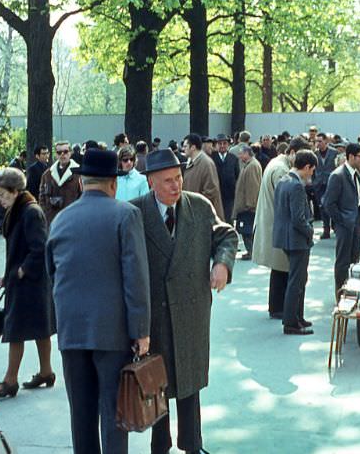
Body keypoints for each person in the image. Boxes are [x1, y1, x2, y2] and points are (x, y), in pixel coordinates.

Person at [130, 149, 238, 454]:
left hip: (191, 310)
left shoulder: (199, 207)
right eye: (167, 181)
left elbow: (226, 236)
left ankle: (193, 445)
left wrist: (222, 264)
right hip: (155, 314)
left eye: (178, 178)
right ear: (151, 182)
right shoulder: (135, 213)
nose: (176, 186)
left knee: (189, 383)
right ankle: (159, 446)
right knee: (157, 382)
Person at [47, 149, 151, 454]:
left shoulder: (60, 220)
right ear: (113, 184)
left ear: (81, 183)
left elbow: (51, 275)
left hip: (72, 332)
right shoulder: (126, 215)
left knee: (81, 413)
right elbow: (136, 279)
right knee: (114, 412)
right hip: (112, 332)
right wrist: (141, 331)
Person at [0, 167, 56, 399]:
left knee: (15, 330)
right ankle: (46, 372)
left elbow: (40, 248)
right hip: (25, 280)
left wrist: (20, 272)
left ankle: (10, 380)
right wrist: (8, 275)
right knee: (39, 327)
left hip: (31, 281)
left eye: (1, 194)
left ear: (15, 191)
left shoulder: (30, 212)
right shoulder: (18, 209)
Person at [253, 137, 310, 318]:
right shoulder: (281, 170)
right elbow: (289, 204)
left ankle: (278, 307)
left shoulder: (277, 163)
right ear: (292, 153)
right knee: (283, 270)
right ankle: (280, 308)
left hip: (275, 223)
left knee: (280, 269)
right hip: (279, 225)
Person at [273, 150, 317, 335]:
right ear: (306, 167)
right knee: (297, 281)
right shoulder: (296, 186)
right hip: (296, 240)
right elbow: (299, 219)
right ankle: (291, 321)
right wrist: (310, 232)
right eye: (312, 170)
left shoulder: (283, 180)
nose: (312, 174)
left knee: (297, 279)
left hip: (285, 238)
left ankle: (297, 317)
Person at [324, 143, 360, 297]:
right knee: (343, 261)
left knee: (354, 259)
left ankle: (351, 290)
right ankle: (341, 293)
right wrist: (341, 221)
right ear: (351, 156)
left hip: (356, 220)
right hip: (345, 223)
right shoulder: (337, 176)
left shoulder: (356, 174)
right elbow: (329, 203)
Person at [182, 133, 226, 220]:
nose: (183, 149)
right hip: (195, 215)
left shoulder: (206, 163)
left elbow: (211, 191)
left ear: (193, 147)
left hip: (204, 217)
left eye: (185, 146)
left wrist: (194, 206)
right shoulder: (192, 162)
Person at [39, 140, 82, 225]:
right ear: (56, 155)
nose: (62, 154)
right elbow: (42, 197)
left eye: (65, 152)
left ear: (70, 153)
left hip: (72, 220)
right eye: (59, 152)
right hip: (52, 221)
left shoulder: (79, 173)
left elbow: (83, 196)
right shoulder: (47, 175)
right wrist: (46, 213)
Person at [232, 145, 262, 260]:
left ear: (247, 153)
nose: (239, 156)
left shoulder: (252, 166)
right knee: (246, 231)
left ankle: (251, 251)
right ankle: (251, 251)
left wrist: (250, 204)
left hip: (248, 206)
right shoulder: (249, 165)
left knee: (247, 231)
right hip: (246, 205)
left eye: (241, 154)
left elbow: (253, 187)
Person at [313, 133, 338, 239]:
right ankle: (326, 229)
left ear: (326, 142)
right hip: (319, 184)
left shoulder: (334, 152)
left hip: (331, 183)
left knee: (332, 205)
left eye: (320, 141)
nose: (318, 143)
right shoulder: (314, 154)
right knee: (322, 207)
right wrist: (314, 181)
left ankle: (335, 225)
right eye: (316, 141)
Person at [213, 134, 240, 221]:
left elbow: (237, 176)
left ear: (228, 145)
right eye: (220, 143)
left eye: (224, 143)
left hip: (229, 196)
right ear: (216, 145)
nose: (222, 146)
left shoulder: (233, 158)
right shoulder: (212, 158)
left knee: (228, 219)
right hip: (216, 195)